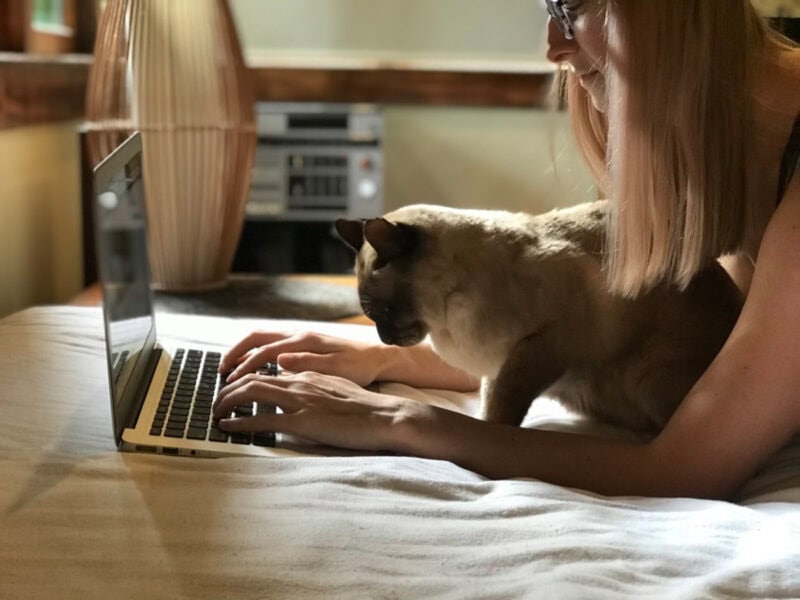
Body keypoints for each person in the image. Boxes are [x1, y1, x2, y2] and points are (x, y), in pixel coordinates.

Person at [213, 0, 800, 499]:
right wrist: (383, 359)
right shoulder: (725, 160)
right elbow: (694, 360)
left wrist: (399, 418)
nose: (552, 46)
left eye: (571, 6)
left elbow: (686, 468)